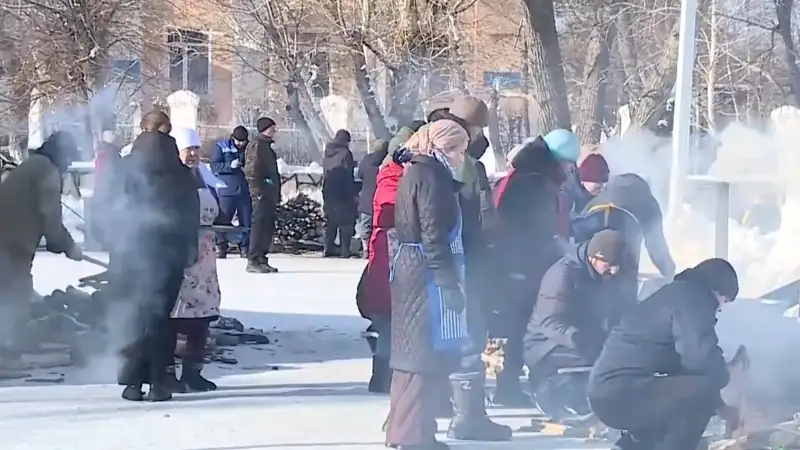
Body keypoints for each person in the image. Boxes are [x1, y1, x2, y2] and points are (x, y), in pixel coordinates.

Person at [588, 258, 741, 450]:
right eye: (724, 301)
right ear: (717, 289)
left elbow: (689, 371)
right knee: (698, 398)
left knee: (676, 399)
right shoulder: (693, 299)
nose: (720, 308)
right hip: (622, 393)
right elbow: (699, 359)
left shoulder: (677, 293)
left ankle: (629, 446)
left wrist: (722, 408)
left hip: (609, 391)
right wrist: (726, 373)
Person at [384, 120, 470, 450]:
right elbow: (434, 236)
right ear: (442, 147)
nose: (462, 156)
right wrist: (449, 285)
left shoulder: (420, 171)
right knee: (420, 359)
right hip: (425, 275)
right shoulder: (431, 177)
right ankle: (412, 436)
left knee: (418, 358)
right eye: (459, 150)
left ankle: (414, 432)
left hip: (414, 270)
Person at [431, 95, 511, 441]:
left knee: (442, 336)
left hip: (441, 258)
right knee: (467, 335)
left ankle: (428, 409)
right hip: (460, 257)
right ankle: (468, 417)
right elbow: (480, 215)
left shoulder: (430, 154)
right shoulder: (458, 162)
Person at [114, 111, 200, 402]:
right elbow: (190, 214)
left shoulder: (125, 168)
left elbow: (107, 207)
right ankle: (159, 381)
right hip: (168, 253)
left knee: (138, 313)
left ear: (142, 129)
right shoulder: (179, 172)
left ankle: (133, 382)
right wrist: (189, 250)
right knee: (160, 316)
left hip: (132, 252)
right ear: (167, 131)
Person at [490, 135, 567, 407]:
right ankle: (508, 386)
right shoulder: (535, 186)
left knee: (515, 326)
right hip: (524, 265)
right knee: (520, 327)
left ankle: (508, 384)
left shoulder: (519, 179)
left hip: (514, 264)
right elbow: (532, 230)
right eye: (568, 164)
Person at [523, 229, 625, 421]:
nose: (614, 271)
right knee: (602, 359)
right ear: (593, 257)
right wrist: (578, 338)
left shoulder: (603, 274)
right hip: (545, 346)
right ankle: (551, 390)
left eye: (617, 265)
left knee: (617, 355)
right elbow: (547, 322)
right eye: (609, 265)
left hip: (584, 339)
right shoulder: (563, 275)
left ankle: (600, 400)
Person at [0, 131, 82, 356]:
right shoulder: (47, 172)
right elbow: (51, 217)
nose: (70, 163)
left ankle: (9, 341)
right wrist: (68, 245)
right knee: (16, 289)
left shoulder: (31, 165)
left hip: (8, 236)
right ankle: (10, 346)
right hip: (13, 240)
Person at [574, 173, 676, 326]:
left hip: (593, 248)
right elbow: (655, 244)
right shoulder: (647, 204)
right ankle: (620, 330)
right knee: (623, 297)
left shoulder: (600, 197)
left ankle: (589, 327)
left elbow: (578, 230)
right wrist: (669, 270)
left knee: (592, 289)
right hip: (625, 248)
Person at [166, 127, 221, 393]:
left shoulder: (203, 176)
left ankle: (192, 372)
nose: (193, 155)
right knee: (176, 315)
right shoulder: (172, 178)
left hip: (205, 257)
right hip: (181, 252)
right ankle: (168, 372)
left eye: (196, 149)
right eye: (189, 149)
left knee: (202, 316)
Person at [356, 145, 412, 394]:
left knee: (389, 325)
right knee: (388, 325)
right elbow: (394, 213)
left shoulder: (394, 179)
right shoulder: (392, 181)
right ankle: (382, 378)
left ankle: (384, 377)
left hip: (389, 263)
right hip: (387, 265)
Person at [245, 117, 281, 273]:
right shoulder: (257, 146)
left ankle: (261, 257)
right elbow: (252, 170)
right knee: (259, 225)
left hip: (269, 193)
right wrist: (259, 190)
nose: (275, 131)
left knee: (267, 226)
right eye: (272, 128)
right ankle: (253, 258)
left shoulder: (267, 147)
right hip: (261, 193)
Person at [210, 126, 252, 258]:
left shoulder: (249, 148)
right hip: (226, 189)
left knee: (246, 220)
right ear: (232, 137)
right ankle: (221, 246)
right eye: (238, 141)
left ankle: (245, 247)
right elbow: (214, 166)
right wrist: (229, 166)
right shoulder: (221, 146)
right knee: (223, 219)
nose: (240, 144)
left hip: (244, 190)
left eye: (243, 141)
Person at [322, 129, 358, 258]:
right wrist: (352, 193)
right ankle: (344, 250)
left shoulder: (327, 152)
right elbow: (347, 175)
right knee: (346, 222)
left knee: (330, 221)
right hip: (342, 192)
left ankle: (328, 248)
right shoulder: (346, 153)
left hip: (328, 189)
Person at [356, 139, 389, 257]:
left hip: (366, 198)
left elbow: (359, 175)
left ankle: (365, 249)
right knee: (379, 226)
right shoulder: (387, 161)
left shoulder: (366, 160)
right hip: (382, 198)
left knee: (365, 226)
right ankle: (376, 250)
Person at [565, 153, 610, 218]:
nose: (602, 188)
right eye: (598, 182)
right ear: (583, 180)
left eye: (604, 182)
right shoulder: (566, 196)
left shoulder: (590, 192)